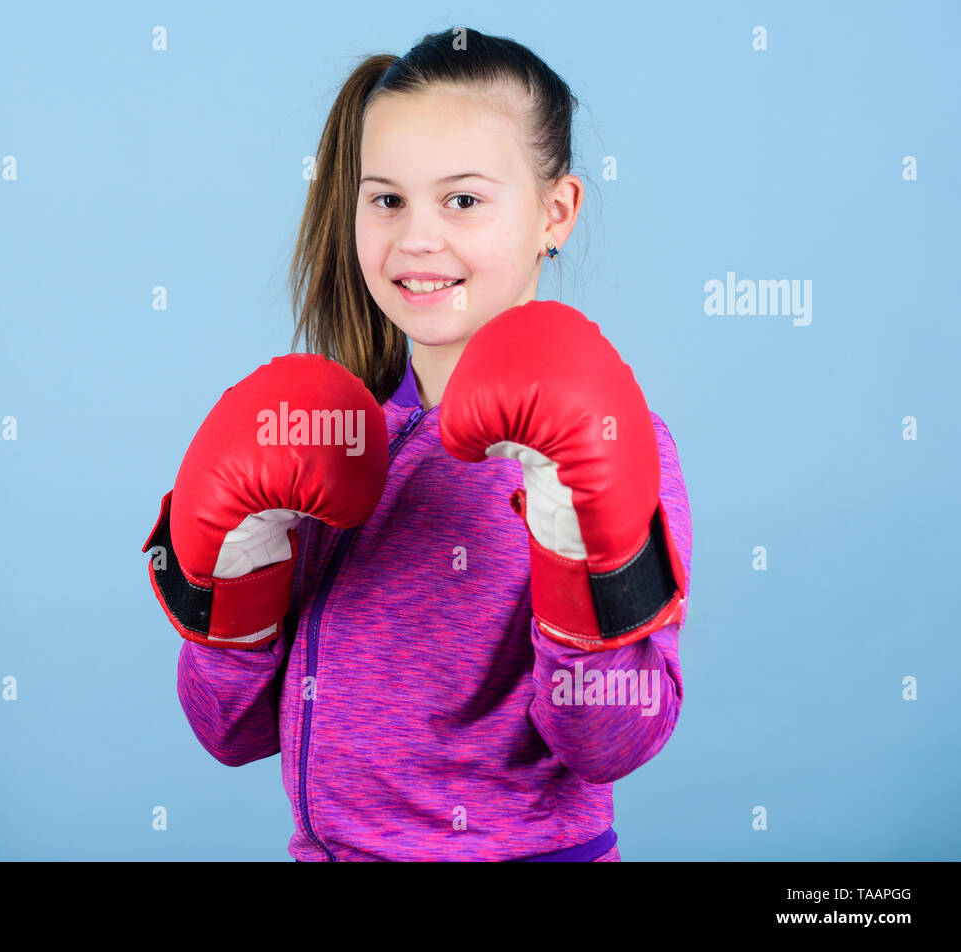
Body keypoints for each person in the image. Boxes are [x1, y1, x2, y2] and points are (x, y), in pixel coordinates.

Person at [143, 27, 692, 861]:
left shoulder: (610, 438)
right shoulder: (324, 439)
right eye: (387, 199)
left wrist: (580, 552)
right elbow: (230, 730)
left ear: (556, 212)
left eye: (462, 200)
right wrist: (235, 572)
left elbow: (612, 743)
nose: (415, 239)